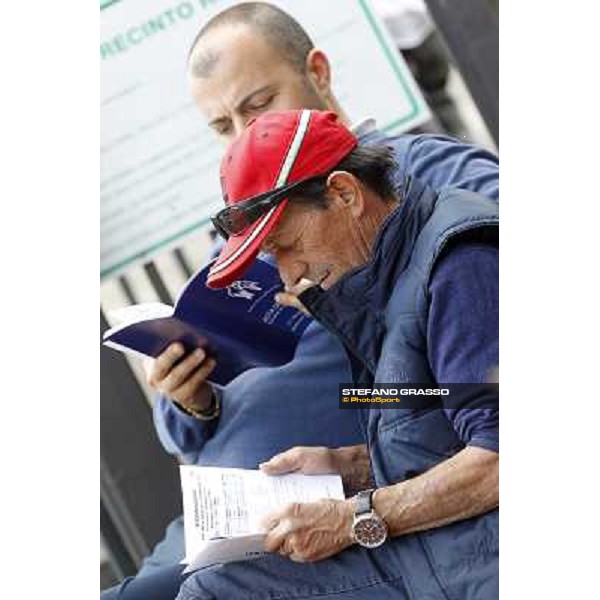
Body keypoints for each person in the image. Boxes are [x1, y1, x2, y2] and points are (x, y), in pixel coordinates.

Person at [102, 2, 499, 597]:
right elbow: (425, 413)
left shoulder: (427, 194)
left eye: (258, 105)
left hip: (363, 524)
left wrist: (357, 507)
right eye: (221, 126)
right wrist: (190, 400)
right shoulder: (267, 226)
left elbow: (473, 417)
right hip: (249, 502)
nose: (286, 274)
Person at [179, 108, 499, 599]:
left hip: (479, 560)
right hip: (450, 550)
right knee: (214, 585)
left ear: (345, 193)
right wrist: (349, 465)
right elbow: (447, 428)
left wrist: (356, 518)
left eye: (286, 244)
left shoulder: (461, 264)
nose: (288, 275)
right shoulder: (390, 269)